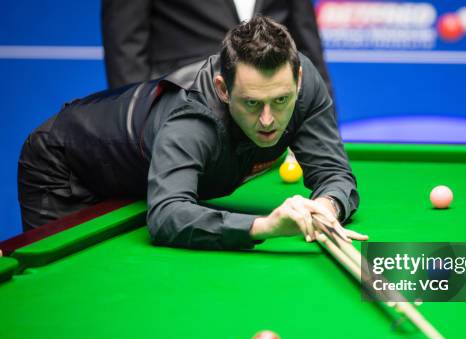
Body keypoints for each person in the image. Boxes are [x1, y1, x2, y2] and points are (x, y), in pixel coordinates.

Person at [18, 17, 365, 250]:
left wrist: (327, 207)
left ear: (299, 81)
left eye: (281, 100)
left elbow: (334, 174)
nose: (267, 120)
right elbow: (167, 215)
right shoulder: (192, 118)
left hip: (137, 169)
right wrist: (266, 226)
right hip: (66, 165)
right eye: (251, 103)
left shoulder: (304, 84)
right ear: (223, 89)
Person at [101, 0, 333, 96]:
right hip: (182, 105)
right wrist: (135, 131)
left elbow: (306, 40)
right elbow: (125, 46)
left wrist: (324, 122)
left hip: (270, 117)